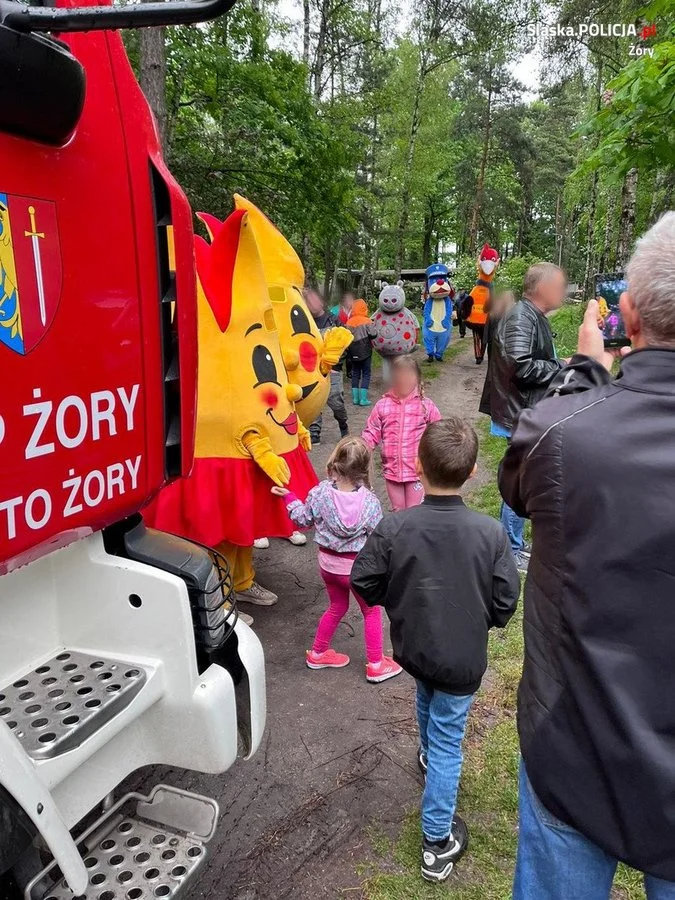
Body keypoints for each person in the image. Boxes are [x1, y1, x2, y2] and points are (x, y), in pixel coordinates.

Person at [500, 212, 675, 900]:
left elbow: (518, 482)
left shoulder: (563, 432)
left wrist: (582, 373)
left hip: (573, 749)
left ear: (625, 315)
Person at [351, 418, 520, 883]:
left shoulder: (395, 528)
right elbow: (506, 599)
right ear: (471, 474)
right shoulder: (490, 534)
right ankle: (436, 844)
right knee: (449, 739)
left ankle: (427, 754)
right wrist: (484, 617)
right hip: (461, 655)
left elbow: (363, 580)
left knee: (428, 690)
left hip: (416, 646)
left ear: (419, 468)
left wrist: (401, 602)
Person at [273, 437, 402, 683]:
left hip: (328, 567)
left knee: (337, 606)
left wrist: (288, 497)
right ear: (365, 470)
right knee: (371, 611)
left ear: (334, 462)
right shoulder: (370, 502)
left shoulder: (319, 493)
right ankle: (375, 664)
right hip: (357, 569)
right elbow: (378, 540)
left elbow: (303, 520)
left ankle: (318, 653)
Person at [483, 263, 566, 571]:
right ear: (542, 288)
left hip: (524, 411)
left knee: (524, 479)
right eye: (559, 285)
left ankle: (514, 541)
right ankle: (510, 547)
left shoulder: (531, 315)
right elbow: (520, 365)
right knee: (520, 481)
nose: (563, 291)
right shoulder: (522, 316)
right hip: (519, 413)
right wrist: (559, 366)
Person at [361, 356, 441, 512]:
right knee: (398, 511)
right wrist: (362, 449)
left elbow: (438, 431)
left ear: (418, 378)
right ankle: (401, 536)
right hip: (392, 471)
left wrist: (437, 457)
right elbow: (372, 430)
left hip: (417, 472)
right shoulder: (382, 405)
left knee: (414, 511)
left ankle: (415, 536)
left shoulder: (425, 405)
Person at [304, 289, 349, 444]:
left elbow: (345, 341)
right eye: (308, 301)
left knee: (336, 402)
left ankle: (343, 424)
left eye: (314, 299)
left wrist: (337, 364)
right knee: (314, 401)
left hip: (333, 370)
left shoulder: (333, 320)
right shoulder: (304, 322)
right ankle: (314, 432)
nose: (312, 303)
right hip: (312, 371)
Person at [346, 299, 376, 406]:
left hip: (352, 351)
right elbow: (373, 334)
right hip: (365, 351)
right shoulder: (367, 321)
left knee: (355, 373)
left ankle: (355, 399)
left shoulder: (349, 322)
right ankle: (363, 399)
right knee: (366, 373)